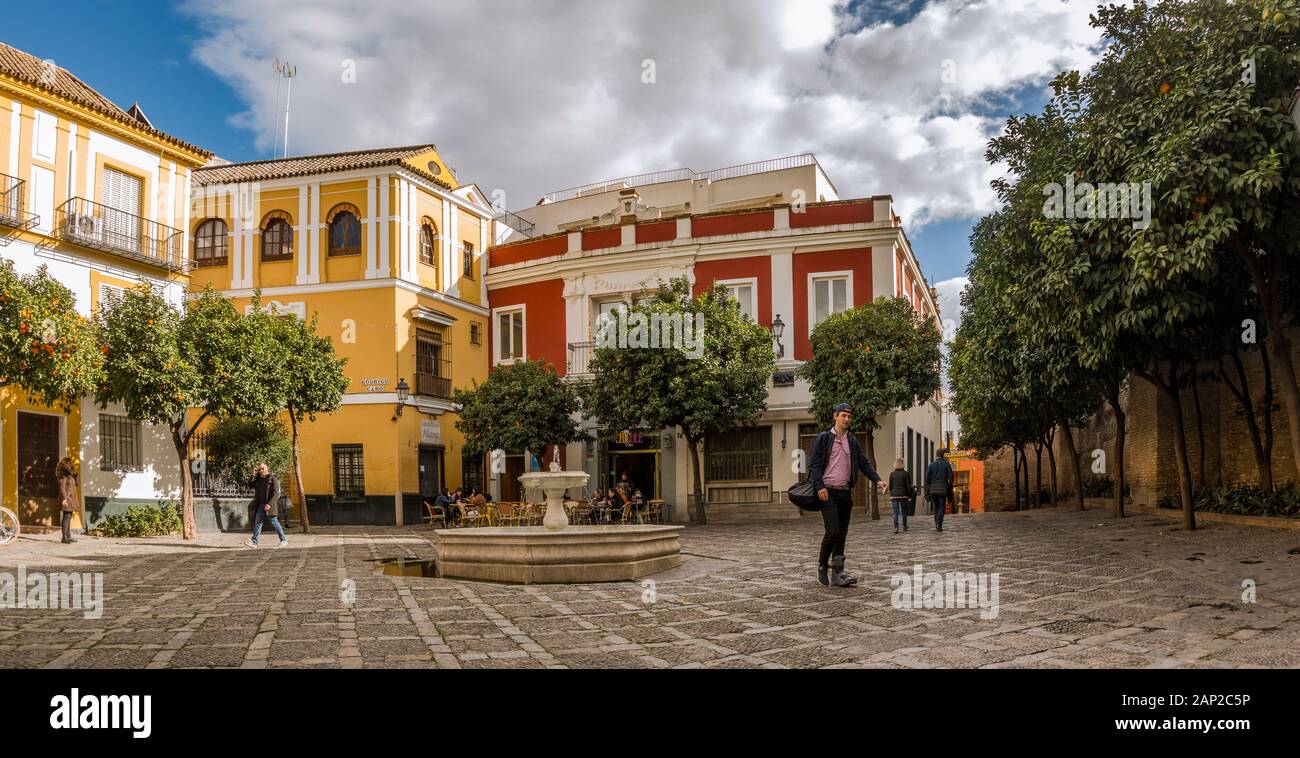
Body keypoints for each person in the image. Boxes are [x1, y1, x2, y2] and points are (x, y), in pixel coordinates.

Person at [807, 403, 885, 587]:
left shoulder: (853, 441)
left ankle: (838, 572)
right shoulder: (824, 438)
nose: (847, 419)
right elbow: (814, 464)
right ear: (835, 416)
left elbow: (864, 464)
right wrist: (819, 486)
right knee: (832, 530)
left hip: (844, 492)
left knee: (842, 533)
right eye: (843, 416)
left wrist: (878, 480)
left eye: (849, 417)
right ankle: (821, 565)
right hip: (827, 492)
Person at [244, 463, 288, 548]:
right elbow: (250, 485)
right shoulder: (259, 479)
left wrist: (269, 504)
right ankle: (254, 542)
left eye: (262, 468)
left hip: (269, 505)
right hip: (260, 504)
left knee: (274, 522)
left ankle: (283, 540)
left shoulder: (273, 479)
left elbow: (276, 494)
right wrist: (252, 475)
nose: (261, 471)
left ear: (267, 468)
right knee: (258, 522)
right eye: (259, 469)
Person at [925, 449, 955, 532]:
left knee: (936, 506)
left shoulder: (931, 465)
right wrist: (949, 486)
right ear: (943, 455)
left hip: (933, 489)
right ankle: (939, 522)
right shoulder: (946, 464)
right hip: (943, 488)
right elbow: (951, 477)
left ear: (936, 455)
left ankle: (936, 523)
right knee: (942, 506)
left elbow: (927, 478)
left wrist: (929, 487)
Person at [56, 457, 79, 544]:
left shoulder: (70, 474)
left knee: (69, 516)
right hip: (66, 497)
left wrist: (75, 476)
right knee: (66, 516)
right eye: (70, 463)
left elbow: (75, 484)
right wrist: (65, 497)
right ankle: (64, 537)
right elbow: (62, 486)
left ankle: (68, 536)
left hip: (71, 497)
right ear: (66, 463)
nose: (71, 465)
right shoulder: (62, 473)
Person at [888, 457, 913, 534]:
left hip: (894, 495)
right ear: (903, 464)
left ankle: (896, 527)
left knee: (895, 512)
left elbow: (890, 485)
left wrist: (891, 493)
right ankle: (904, 526)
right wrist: (910, 496)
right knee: (904, 511)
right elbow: (908, 486)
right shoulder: (906, 473)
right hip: (903, 495)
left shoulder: (892, 474)